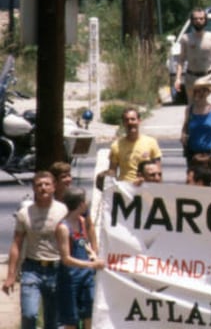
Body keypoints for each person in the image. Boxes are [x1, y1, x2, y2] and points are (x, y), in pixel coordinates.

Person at [3, 171, 68, 329]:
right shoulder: (24, 214)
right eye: (39, 185)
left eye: (47, 184)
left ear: (54, 187)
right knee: (29, 314)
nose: (43, 188)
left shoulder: (63, 210)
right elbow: (16, 243)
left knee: (53, 320)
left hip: (57, 268)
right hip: (32, 269)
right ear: (33, 188)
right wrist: (11, 275)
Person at [55, 187, 105, 329]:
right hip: (70, 279)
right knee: (71, 320)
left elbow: (84, 243)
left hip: (86, 277)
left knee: (89, 315)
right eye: (85, 201)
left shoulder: (82, 221)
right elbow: (66, 259)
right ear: (81, 204)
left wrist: (93, 254)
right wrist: (90, 265)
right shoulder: (63, 228)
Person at [174, 7, 211, 104]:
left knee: (209, 107)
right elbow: (181, 60)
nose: (198, 21)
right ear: (192, 21)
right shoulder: (185, 39)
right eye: (195, 19)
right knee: (192, 109)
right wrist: (178, 79)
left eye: (201, 18)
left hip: (208, 77)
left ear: (205, 20)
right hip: (191, 78)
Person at [108, 107, 162, 182]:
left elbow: (158, 171)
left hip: (146, 187)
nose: (130, 122)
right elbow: (112, 171)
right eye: (127, 120)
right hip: (125, 188)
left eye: (133, 119)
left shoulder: (151, 142)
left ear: (139, 121)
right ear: (123, 123)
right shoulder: (116, 146)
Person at [182, 76, 211, 162]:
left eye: (204, 90)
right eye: (198, 91)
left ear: (208, 92)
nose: (201, 93)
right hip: (193, 153)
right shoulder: (189, 110)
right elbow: (185, 127)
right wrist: (183, 138)